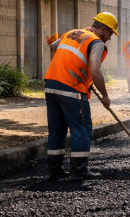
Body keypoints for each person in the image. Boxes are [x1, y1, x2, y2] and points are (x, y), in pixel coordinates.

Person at [44, 12, 118, 181]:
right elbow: (94, 70)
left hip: (51, 84)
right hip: (71, 87)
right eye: (110, 34)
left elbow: (54, 47)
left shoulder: (72, 33)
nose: (109, 38)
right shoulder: (96, 42)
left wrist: (74, 68)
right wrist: (105, 96)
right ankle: (79, 170)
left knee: (57, 130)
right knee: (82, 129)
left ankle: (54, 170)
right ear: (104, 29)